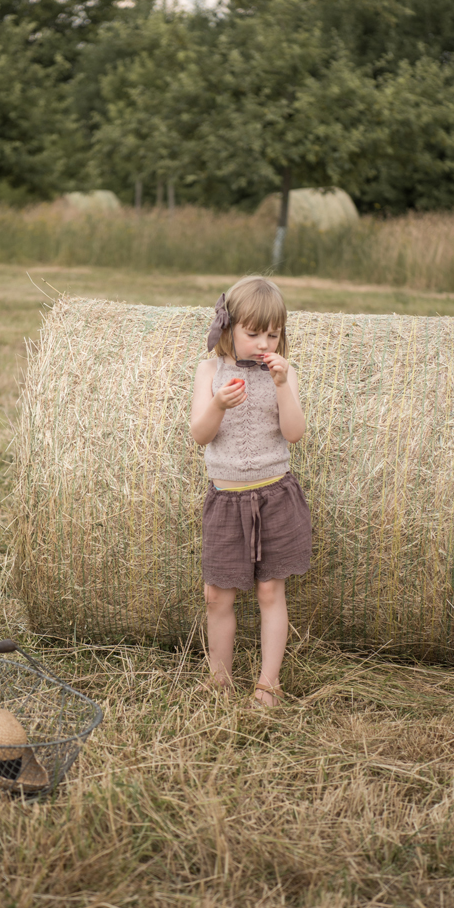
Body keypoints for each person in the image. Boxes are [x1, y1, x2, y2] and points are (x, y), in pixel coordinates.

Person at [190, 276, 311, 707]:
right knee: (217, 594)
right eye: (252, 333)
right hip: (225, 499)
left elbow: (294, 434)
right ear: (229, 328)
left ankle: (268, 683)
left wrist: (281, 385)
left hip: (274, 495)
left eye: (273, 334)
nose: (263, 343)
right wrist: (218, 404)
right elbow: (200, 435)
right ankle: (219, 678)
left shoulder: (283, 372)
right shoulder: (210, 371)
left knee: (269, 592)